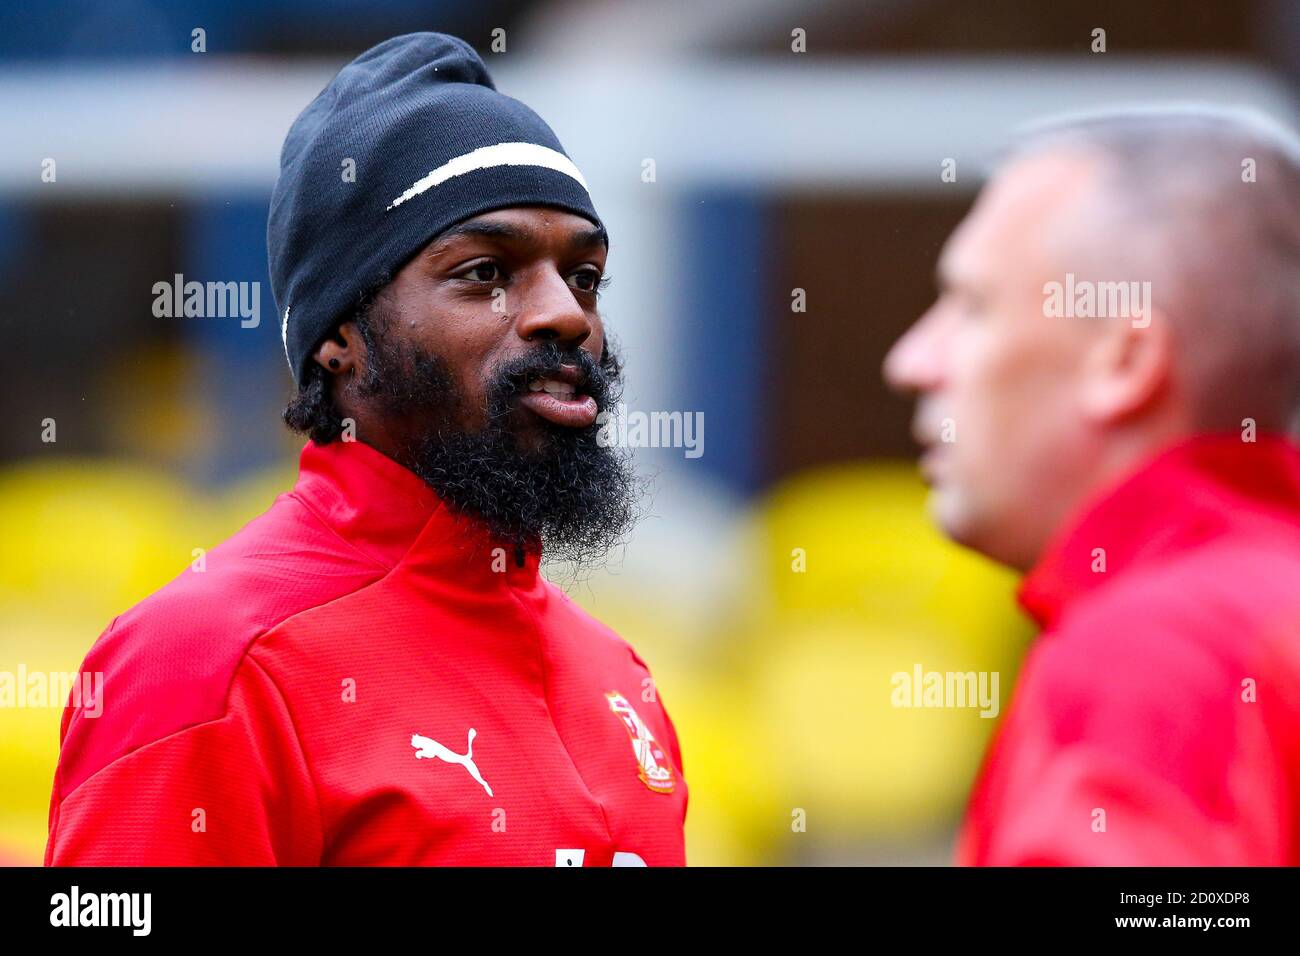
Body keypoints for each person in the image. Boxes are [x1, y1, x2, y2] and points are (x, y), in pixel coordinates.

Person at [46, 32, 686, 866]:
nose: (567, 314)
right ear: (338, 337)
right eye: (487, 272)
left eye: (586, 277)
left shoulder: (617, 675)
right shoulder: (208, 660)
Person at [884, 107, 1300, 865]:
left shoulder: (1156, 653)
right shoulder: (1263, 607)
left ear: (1125, 361)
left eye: (972, 307)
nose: (910, 361)